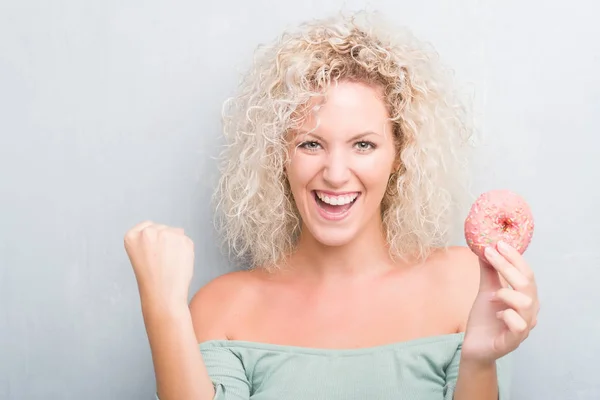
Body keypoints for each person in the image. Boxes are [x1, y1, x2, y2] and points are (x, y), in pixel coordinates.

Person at [124, 10, 539, 400]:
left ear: (400, 155)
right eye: (310, 144)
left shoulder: (466, 285)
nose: (336, 173)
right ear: (278, 156)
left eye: (363, 144)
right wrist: (162, 308)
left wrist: (481, 358)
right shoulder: (223, 309)